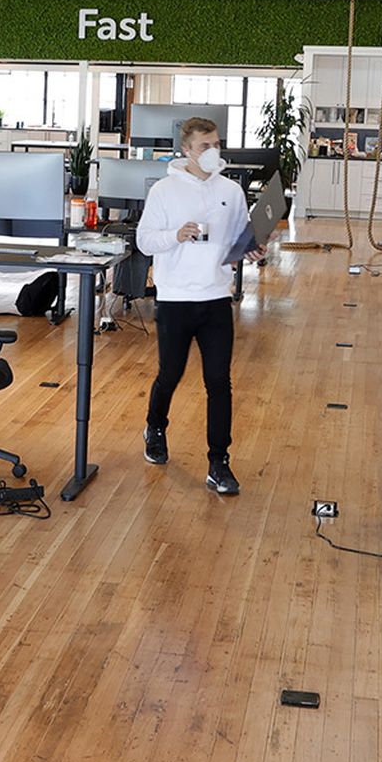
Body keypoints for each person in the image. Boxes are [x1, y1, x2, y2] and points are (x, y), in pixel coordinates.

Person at [133, 116, 264, 496]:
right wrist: (175, 235)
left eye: (216, 144)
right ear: (186, 150)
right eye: (205, 146)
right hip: (176, 299)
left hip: (217, 298)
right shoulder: (164, 191)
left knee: (219, 382)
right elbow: (144, 241)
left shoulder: (231, 190)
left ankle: (218, 462)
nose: (213, 152)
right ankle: (155, 427)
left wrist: (251, 250)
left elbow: (240, 238)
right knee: (170, 375)